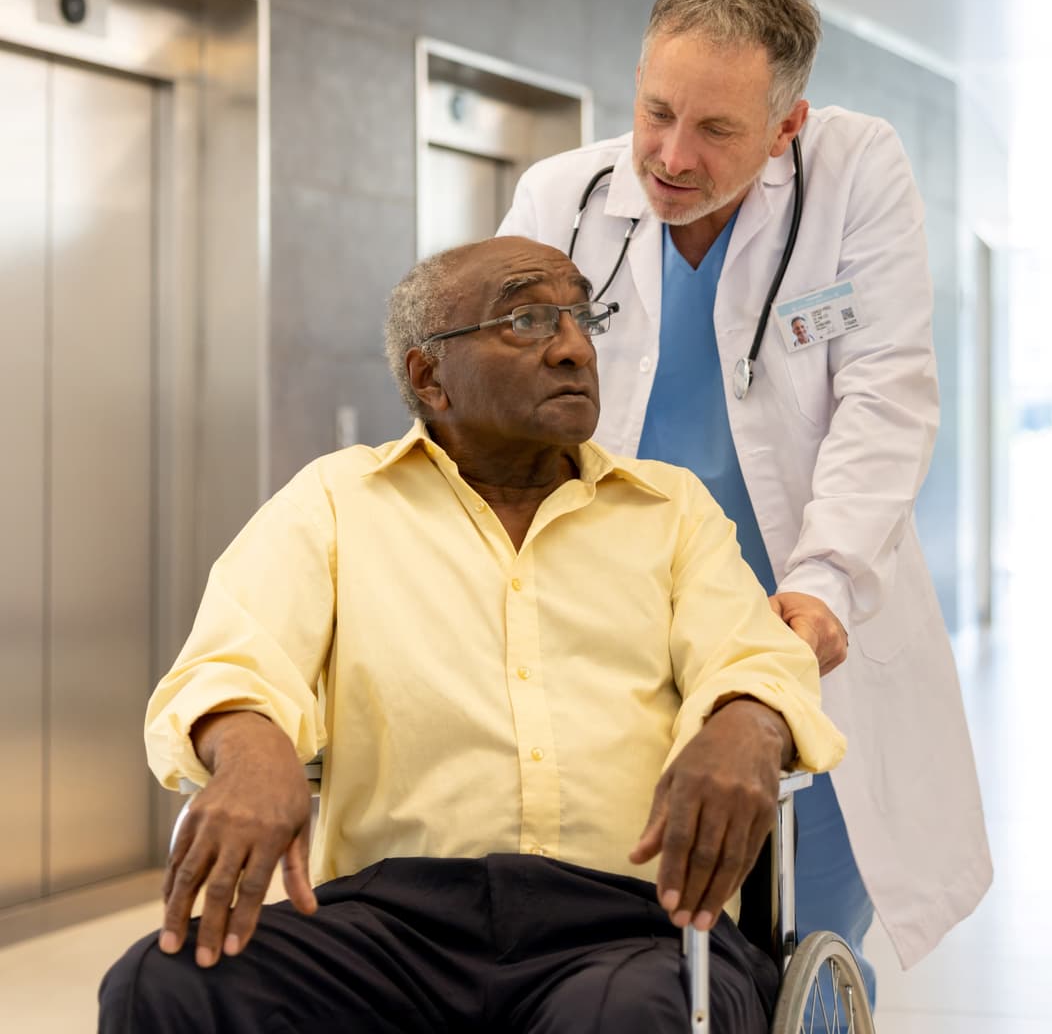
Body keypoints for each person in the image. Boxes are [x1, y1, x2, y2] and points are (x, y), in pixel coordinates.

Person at [99, 237, 846, 1033]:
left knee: (625, 1015)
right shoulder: (336, 502)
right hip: (393, 925)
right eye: (526, 319)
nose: (572, 347)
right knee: (162, 980)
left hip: (631, 926)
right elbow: (232, 658)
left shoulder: (669, 510)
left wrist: (748, 722)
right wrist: (250, 753)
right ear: (429, 378)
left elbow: (752, 652)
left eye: (582, 315)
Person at [497, 0, 993, 992]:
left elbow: (884, 393)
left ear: (786, 126)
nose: (670, 157)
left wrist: (820, 585)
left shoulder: (854, 174)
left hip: (800, 612)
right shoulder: (565, 195)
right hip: (619, 628)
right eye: (656, 111)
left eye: (717, 130)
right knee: (636, 935)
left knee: (804, 926)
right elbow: (494, 403)